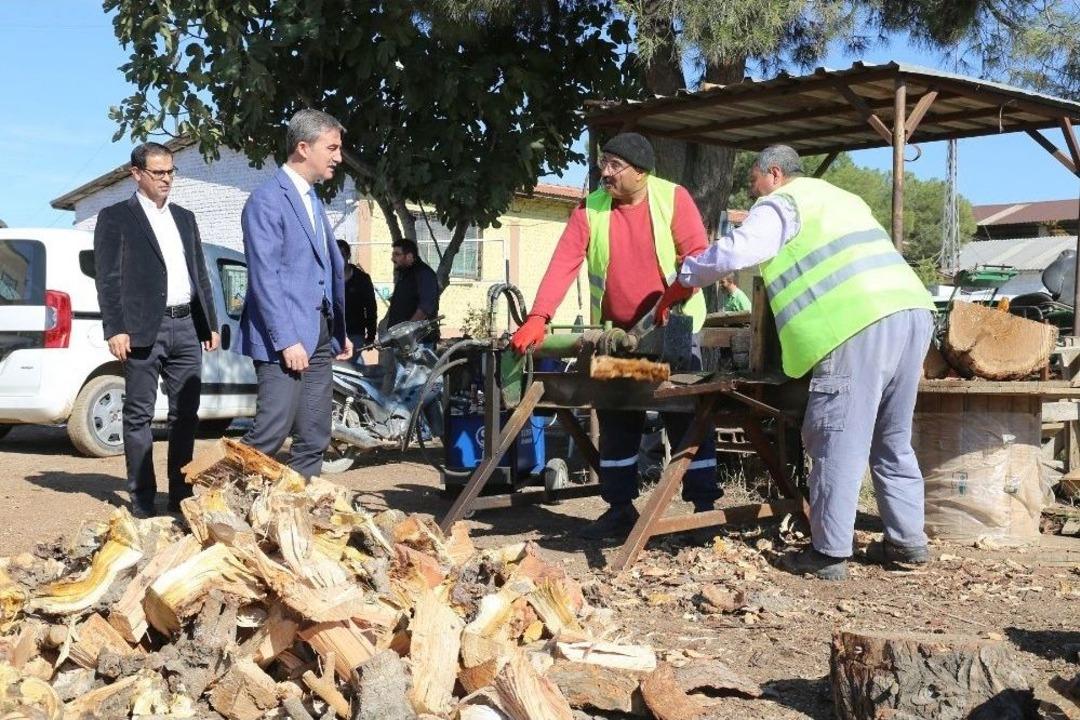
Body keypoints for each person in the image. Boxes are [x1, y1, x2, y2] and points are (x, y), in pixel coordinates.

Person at [657, 144, 936, 580]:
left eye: (754, 180)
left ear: (774, 173)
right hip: (912, 312)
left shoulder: (783, 202)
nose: (752, 191)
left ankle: (829, 553)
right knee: (892, 437)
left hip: (856, 322)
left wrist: (685, 276)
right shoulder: (842, 198)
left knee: (836, 439)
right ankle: (906, 541)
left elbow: (737, 252)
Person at [510, 132, 719, 541]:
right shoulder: (590, 209)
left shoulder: (673, 199)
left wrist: (678, 291)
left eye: (614, 165)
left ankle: (703, 510)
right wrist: (538, 316)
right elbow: (563, 264)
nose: (605, 172)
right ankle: (620, 508)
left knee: (685, 416)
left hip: (674, 330)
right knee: (617, 415)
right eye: (603, 162)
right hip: (617, 337)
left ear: (640, 172)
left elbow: (698, 254)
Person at [93, 141, 220, 518]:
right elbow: (108, 279)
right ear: (137, 174)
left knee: (187, 414)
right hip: (141, 330)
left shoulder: (185, 218)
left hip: (186, 327)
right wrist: (115, 328)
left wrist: (209, 323)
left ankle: (180, 494)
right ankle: (143, 499)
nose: (167, 179)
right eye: (158, 172)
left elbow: (199, 274)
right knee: (138, 415)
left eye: (170, 172)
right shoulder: (116, 217)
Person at [239, 109, 353, 479]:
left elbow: (320, 269)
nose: (338, 157)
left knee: (314, 434)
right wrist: (287, 340)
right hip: (282, 339)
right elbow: (265, 277)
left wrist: (337, 329)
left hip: (318, 334)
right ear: (304, 148)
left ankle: (299, 504)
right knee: (270, 433)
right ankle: (216, 500)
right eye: (331, 148)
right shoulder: (267, 200)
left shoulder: (312, 199)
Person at [336, 238, 377, 354]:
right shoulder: (327, 279)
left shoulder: (362, 279)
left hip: (355, 333)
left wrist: (371, 336)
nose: (338, 259)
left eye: (342, 255)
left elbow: (371, 308)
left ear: (348, 256)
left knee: (354, 364)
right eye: (335, 255)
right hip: (331, 334)